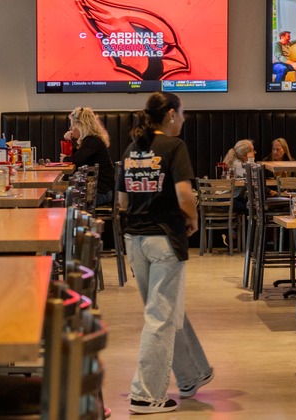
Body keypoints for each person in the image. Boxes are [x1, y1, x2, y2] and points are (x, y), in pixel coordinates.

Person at [118, 92, 213, 414]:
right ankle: (145, 394)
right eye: (182, 114)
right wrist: (193, 218)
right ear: (170, 114)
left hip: (135, 240)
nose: (184, 120)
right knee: (160, 317)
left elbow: (122, 202)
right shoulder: (174, 148)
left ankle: (191, 375)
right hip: (164, 241)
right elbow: (185, 194)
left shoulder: (133, 149)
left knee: (165, 311)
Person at [60, 107, 114, 206]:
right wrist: (69, 142)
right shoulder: (91, 141)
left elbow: (73, 160)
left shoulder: (92, 141)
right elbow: (75, 157)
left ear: (81, 126)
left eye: (73, 125)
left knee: (62, 198)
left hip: (100, 194)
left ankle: (71, 221)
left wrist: (64, 159)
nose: (71, 129)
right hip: (97, 191)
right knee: (63, 195)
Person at [223, 139, 255, 211]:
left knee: (252, 204)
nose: (254, 153)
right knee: (250, 207)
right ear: (244, 154)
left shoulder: (239, 162)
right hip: (225, 198)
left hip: (231, 197)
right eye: (252, 151)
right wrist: (251, 160)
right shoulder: (237, 164)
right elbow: (250, 175)